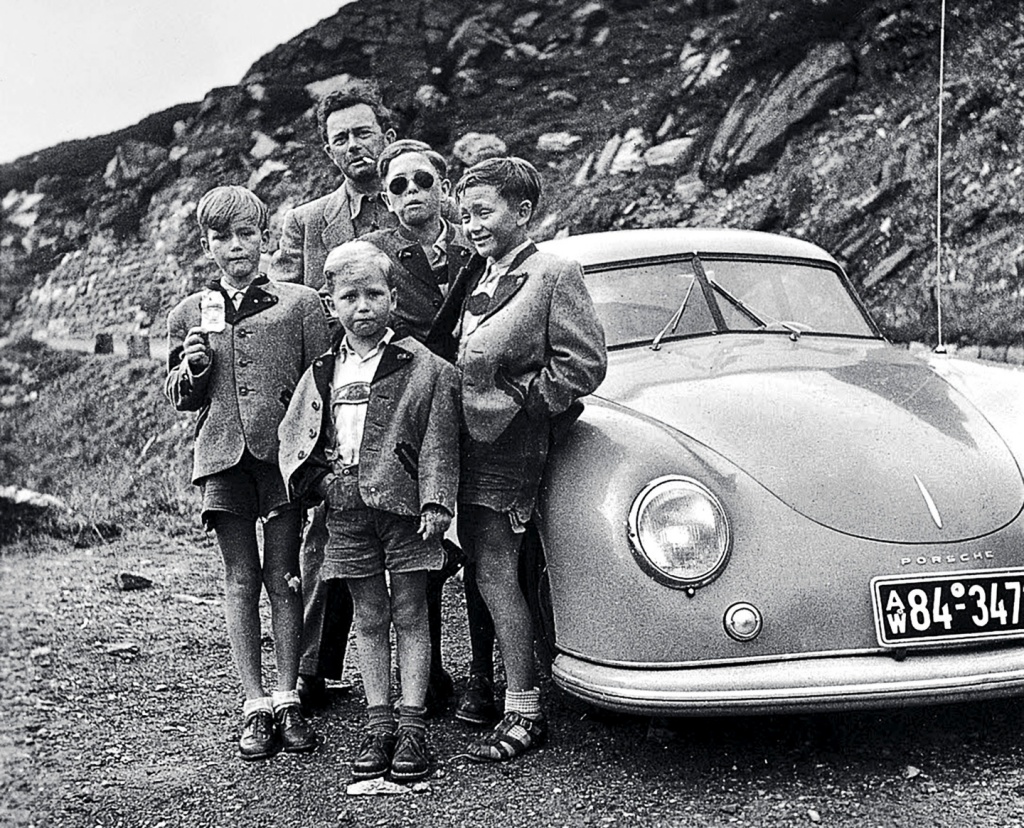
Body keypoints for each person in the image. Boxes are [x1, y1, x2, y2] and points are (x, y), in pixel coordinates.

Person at [429, 157, 607, 761]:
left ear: (523, 212)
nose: (471, 224)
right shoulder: (476, 274)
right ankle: (513, 692)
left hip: (508, 449)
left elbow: (583, 364)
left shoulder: (552, 273)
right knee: (484, 572)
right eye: (466, 213)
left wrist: (519, 403)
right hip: (462, 447)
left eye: (484, 212)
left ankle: (525, 710)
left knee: (497, 574)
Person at [279, 240, 460, 782]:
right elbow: (296, 434)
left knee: (411, 611)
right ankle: (378, 719)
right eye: (350, 296)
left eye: (375, 294)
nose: (363, 306)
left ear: (394, 298)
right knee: (369, 615)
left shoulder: (424, 366)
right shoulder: (322, 371)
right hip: (347, 507)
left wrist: (436, 500)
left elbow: (438, 438)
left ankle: (412, 724)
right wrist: (317, 482)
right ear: (331, 304)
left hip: (405, 507)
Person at [165, 185, 329, 760]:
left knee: (284, 575)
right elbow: (182, 400)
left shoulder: (300, 303)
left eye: (246, 234)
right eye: (220, 237)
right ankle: (254, 705)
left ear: (264, 236)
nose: (235, 247)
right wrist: (192, 370)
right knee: (241, 577)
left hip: (282, 459)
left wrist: (316, 456)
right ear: (206, 244)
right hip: (222, 458)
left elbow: (321, 384)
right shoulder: (189, 312)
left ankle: (289, 697)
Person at [270, 78, 398, 710]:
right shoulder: (310, 221)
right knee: (332, 529)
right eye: (339, 138)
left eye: (363, 133)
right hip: (338, 389)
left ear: (387, 135)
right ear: (328, 150)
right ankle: (316, 667)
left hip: (405, 390)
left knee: (413, 531)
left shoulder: (415, 204)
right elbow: (284, 306)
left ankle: (420, 679)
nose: (354, 147)